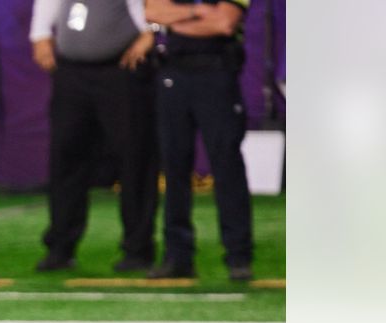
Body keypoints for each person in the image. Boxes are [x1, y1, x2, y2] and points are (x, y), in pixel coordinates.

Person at [28, 0, 159, 273]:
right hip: (71, 71)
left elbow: (153, 7)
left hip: (122, 68)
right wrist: (39, 33)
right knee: (66, 159)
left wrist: (151, 31)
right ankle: (60, 247)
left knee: (135, 159)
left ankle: (138, 249)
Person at [144, 0, 254, 281]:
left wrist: (175, 20)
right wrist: (196, 12)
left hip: (216, 74)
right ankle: (177, 256)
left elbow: (223, 23)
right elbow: (151, 12)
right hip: (173, 73)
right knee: (174, 166)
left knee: (226, 164)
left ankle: (238, 255)